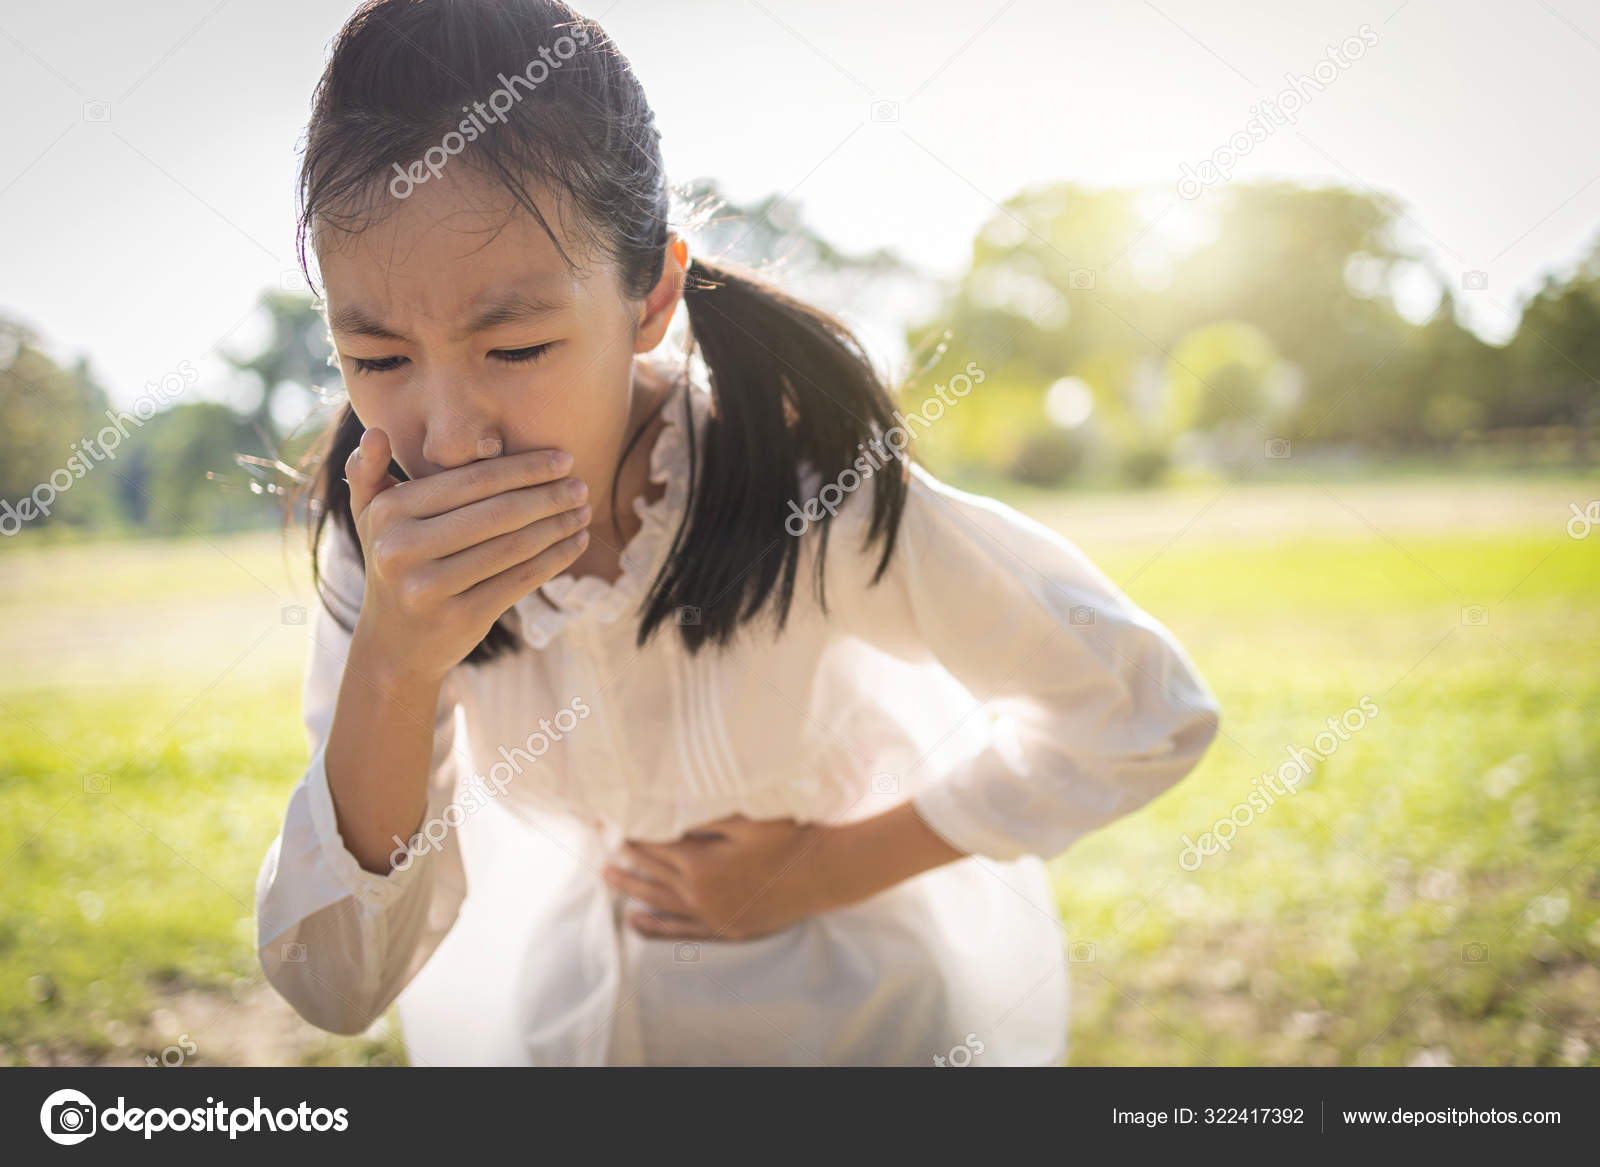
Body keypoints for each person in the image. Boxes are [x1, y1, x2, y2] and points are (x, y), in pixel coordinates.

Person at [254, 0, 1221, 1066]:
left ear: (652, 297)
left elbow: (1142, 709)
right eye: (379, 360)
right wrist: (396, 663)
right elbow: (337, 981)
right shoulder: (380, 548)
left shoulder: (802, 493)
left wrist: (828, 865)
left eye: (517, 347)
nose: (450, 437)